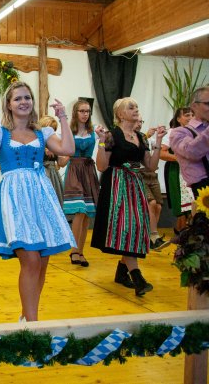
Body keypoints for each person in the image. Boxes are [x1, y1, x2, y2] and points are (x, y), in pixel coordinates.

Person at [0, 81, 76, 322]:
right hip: (14, 196)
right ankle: (32, 323)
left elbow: (67, 149)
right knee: (29, 258)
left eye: (27, 97)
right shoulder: (0, 132)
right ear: (9, 104)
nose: (23, 102)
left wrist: (63, 118)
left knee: (41, 260)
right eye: (18, 98)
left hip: (41, 195)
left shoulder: (43, 132)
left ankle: (28, 316)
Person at [91, 97, 166, 296]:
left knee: (136, 228)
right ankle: (137, 276)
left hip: (135, 184)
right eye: (130, 107)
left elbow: (150, 165)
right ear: (120, 114)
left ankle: (122, 271)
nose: (135, 109)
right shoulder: (112, 135)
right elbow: (101, 166)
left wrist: (157, 141)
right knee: (126, 227)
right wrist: (100, 141)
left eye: (136, 106)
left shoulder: (141, 137)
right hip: (117, 184)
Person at [62, 100, 99, 267]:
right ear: (75, 112)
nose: (85, 114)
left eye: (88, 111)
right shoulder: (69, 131)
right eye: (82, 111)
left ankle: (80, 251)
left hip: (88, 170)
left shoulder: (94, 131)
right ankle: (74, 251)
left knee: (85, 216)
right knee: (79, 210)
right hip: (74, 170)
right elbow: (63, 158)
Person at [169, 86, 209, 199]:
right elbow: (192, 152)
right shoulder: (179, 133)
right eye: (208, 103)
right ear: (194, 106)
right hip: (204, 189)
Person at [160, 107, 195, 234]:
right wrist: (180, 158)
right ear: (179, 119)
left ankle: (191, 233)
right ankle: (182, 233)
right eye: (187, 115)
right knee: (181, 205)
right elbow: (161, 153)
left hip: (194, 171)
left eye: (192, 114)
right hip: (176, 170)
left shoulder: (197, 132)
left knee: (195, 203)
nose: (190, 117)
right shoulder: (171, 133)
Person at [135, 117, 167, 250]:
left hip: (151, 175)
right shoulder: (136, 137)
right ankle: (154, 236)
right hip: (140, 174)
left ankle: (149, 235)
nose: (139, 123)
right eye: (137, 120)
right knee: (151, 203)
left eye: (141, 121)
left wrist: (156, 139)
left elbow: (152, 160)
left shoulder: (144, 138)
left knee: (158, 206)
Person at [37, 116, 68, 206]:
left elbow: (61, 163)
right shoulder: (35, 140)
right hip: (41, 173)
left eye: (54, 130)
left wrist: (70, 154)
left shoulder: (54, 143)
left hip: (53, 174)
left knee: (56, 201)